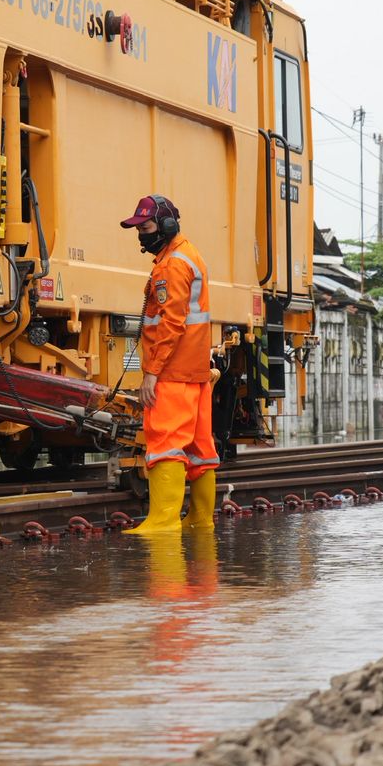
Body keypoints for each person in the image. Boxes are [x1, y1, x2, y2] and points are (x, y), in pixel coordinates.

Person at [119, 194, 217, 534]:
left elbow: (172, 323)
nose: (141, 235)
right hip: (195, 370)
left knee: (165, 442)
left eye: (145, 227)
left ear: (167, 225)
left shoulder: (172, 265)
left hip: (173, 371)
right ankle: (201, 519)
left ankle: (162, 521)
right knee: (199, 447)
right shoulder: (189, 255)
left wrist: (152, 373)